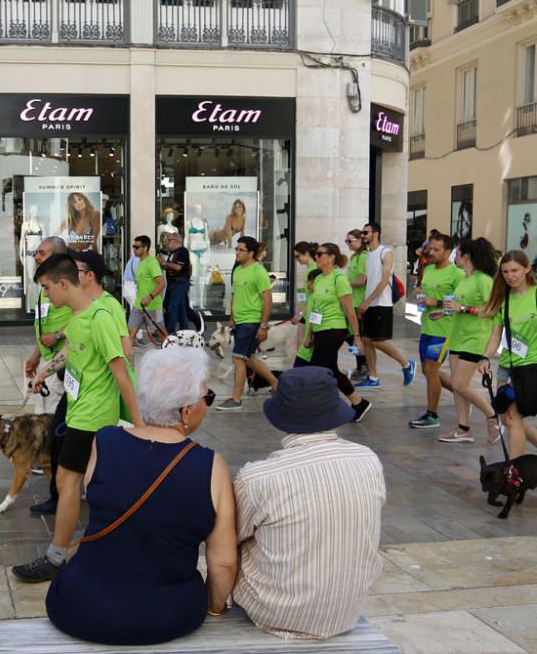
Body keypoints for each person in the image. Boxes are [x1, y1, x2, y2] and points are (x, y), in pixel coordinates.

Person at [45, 347, 236, 645]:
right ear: (186, 411)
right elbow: (223, 562)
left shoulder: (104, 441)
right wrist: (214, 608)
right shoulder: (210, 466)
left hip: (79, 607)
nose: (207, 404)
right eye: (207, 398)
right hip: (168, 614)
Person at [15, 253, 141, 582]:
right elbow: (71, 349)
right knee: (79, 482)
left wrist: (140, 426)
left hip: (93, 415)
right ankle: (91, 546)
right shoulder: (76, 316)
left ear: (63, 283)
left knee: (69, 482)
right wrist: (45, 370)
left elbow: (121, 372)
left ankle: (58, 555)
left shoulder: (101, 315)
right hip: (79, 408)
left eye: (46, 288)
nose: (45, 295)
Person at [234, 367, 385, 640]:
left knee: (231, 540)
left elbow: (231, 538)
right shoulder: (368, 459)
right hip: (346, 610)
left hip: (274, 612)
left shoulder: (257, 477)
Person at [25, 236, 72, 516]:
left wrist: (57, 335)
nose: (36, 256)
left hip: (59, 359)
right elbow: (40, 323)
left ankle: (60, 481)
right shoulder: (44, 286)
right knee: (41, 414)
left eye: (41, 253)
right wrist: (35, 356)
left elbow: (79, 317)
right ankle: (47, 464)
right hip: (45, 358)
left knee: (55, 419)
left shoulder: (64, 284)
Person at [300, 244, 372, 422]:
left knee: (316, 370)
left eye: (320, 254)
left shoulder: (339, 278)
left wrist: (357, 337)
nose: (316, 257)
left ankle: (321, 408)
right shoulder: (318, 279)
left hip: (335, 328)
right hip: (319, 329)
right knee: (330, 368)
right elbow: (315, 309)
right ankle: (358, 403)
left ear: (331, 257)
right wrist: (309, 334)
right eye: (316, 254)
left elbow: (349, 311)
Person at [438, 237, 500, 443]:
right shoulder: (465, 278)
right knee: (457, 386)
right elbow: (458, 307)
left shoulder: (484, 280)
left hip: (475, 338)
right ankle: (463, 428)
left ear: (466, 257)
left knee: (460, 383)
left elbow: (491, 310)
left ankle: (492, 416)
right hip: (457, 337)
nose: (454, 256)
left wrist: (464, 309)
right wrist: (443, 312)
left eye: (457, 253)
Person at [479, 251, 537, 459]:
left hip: (531, 365)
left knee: (513, 418)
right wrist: (485, 357)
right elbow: (495, 336)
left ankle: (514, 472)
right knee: (508, 419)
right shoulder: (504, 299)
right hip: (507, 366)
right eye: (505, 272)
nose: (510, 276)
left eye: (515, 271)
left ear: (527, 268)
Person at [215, 236, 278, 411]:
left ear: (251, 253)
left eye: (241, 250)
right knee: (247, 358)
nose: (237, 252)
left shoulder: (258, 271)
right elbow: (235, 295)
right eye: (236, 249)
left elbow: (267, 299)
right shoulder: (238, 270)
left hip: (252, 322)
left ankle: (236, 399)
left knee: (237, 359)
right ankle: (276, 384)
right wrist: (232, 316)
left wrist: (263, 325)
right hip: (239, 322)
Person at [409, 232, 464, 429]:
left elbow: (462, 302)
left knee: (431, 370)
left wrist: (437, 302)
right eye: (429, 248)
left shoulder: (457, 274)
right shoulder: (428, 269)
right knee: (427, 370)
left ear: (448, 252)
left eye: (436, 249)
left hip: (445, 330)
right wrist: (419, 293)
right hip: (427, 326)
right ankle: (464, 394)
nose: (430, 252)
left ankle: (432, 415)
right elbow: (424, 290)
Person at [355, 223, 416, 389]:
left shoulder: (385, 252)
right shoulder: (368, 255)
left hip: (381, 303)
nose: (363, 235)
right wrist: (364, 303)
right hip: (369, 304)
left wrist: (367, 302)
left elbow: (384, 280)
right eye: (362, 232)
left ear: (376, 233)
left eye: (366, 232)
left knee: (377, 341)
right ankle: (373, 377)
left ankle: (406, 363)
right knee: (367, 340)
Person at [128, 235, 166, 342]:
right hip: (138, 305)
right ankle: (128, 359)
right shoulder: (140, 262)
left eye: (137, 247)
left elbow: (162, 284)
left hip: (153, 307)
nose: (134, 249)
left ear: (145, 248)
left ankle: (172, 356)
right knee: (130, 334)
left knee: (162, 334)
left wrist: (149, 297)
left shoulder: (152, 262)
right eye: (133, 246)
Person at [345, 230, 370, 381]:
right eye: (346, 241)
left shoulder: (363, 257)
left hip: (360, 303)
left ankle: (364, 364)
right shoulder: (354, 257)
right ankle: (362, 363)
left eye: (350, 241)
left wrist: (344, 283)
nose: (348, 244)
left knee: (356, 336)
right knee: (350, 335)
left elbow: (361, 280)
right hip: (352, 302)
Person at [160, 232, 192, 333]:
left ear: (175, 241)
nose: (167, 243)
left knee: (172, 308)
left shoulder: (183, 251)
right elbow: (169, 267)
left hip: (180, 284)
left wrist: (164, 262)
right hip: (173, 284)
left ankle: (169, 332)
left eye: (169, 240)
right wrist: (161, 264)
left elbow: (178, 267)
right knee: (181, 309)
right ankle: (184, 330)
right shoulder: (173, 253)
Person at [291, 242, 318, 351]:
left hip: (310, 313)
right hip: (306, 313)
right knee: (301, 346)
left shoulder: (314, 269)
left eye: (298, 256)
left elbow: (313, 295)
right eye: (295, 257)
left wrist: (301, 313)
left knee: (303, 347)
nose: (297, 259)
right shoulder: (309, 269)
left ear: (307, 253)